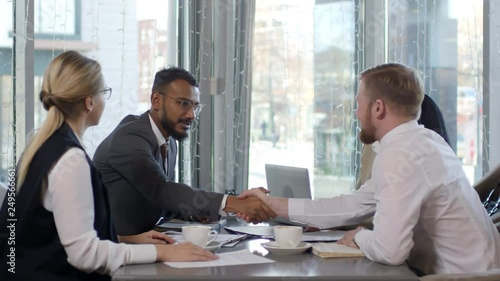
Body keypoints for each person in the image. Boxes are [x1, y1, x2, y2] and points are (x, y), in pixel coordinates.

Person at [239, 63, 500, 275]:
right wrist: (270, 204)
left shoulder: (400, 155)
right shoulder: (425, 142)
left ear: (378, 107)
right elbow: (351, 206)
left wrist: (360, 236)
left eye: (358, 104)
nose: (356, 113)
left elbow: (390, 251)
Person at [0, 51, 216, 281]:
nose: (105, 99)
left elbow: (57, 234)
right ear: (89, 102)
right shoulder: (71, 161)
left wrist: (126, 239)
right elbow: (85, 255)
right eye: (104, 92)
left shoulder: (39, 147)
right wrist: (162, 252)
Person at [93, 67, 275, 238]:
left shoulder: (168, 142)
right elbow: (161, 190)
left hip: (145, 242)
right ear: (156, 100)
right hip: (113, 251)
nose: (191, 115)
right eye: (183, 104)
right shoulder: (130, 137)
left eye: (195, 106)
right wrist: (235, 203)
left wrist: (198, 212)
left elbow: (163, 201)